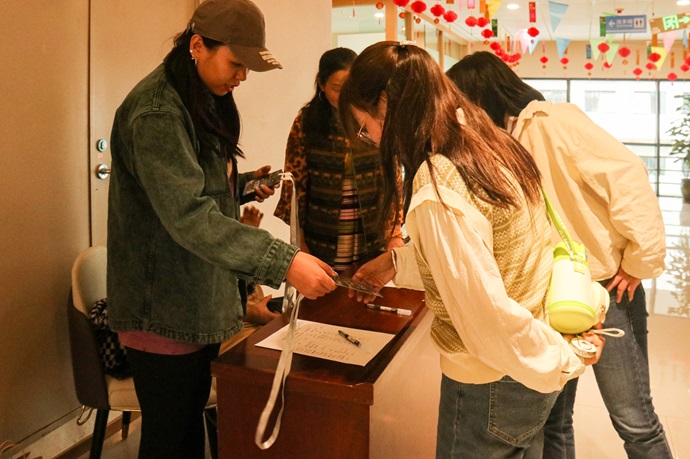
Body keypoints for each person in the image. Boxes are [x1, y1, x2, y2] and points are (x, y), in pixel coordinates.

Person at [339, 41, 604, 458]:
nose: (370, 138)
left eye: (364, 125)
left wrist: (562, 360)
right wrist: (395, 264)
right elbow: (492, 252)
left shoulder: (439, 183)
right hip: (530, 359)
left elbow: (484, 316)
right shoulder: (487, 140)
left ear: (386, 107)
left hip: (496, 378)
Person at [106, 1, 336, 457]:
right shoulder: (157, 111)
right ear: (197, 46)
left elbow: (188, 186)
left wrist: (244, 185)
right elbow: (188, 214)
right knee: (172, 440)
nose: (242, 77)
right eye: (236, 63)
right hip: (163, 307)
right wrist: (284, 261)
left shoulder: (195, 96)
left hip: (194, 300)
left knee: (187, 431)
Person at [446, 51, 671, 459]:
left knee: (634, 419)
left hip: (605, 286)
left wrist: (641, 260)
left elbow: (628, 174)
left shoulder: (552, 121)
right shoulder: (505, 140)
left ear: (481, 96)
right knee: (553, 419)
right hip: (549, 293)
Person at [274, 47, 404, 273]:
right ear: (321, 84)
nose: (345, 95)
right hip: (321, 234)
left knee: (365, 285)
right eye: (336, 88)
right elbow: (295, 186)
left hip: (370, 234)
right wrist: (299, 242)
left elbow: (392, 178)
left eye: (350, 87)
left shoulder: (374, 117)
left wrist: (394, 233)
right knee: (325, 288)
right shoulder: (306, 122)